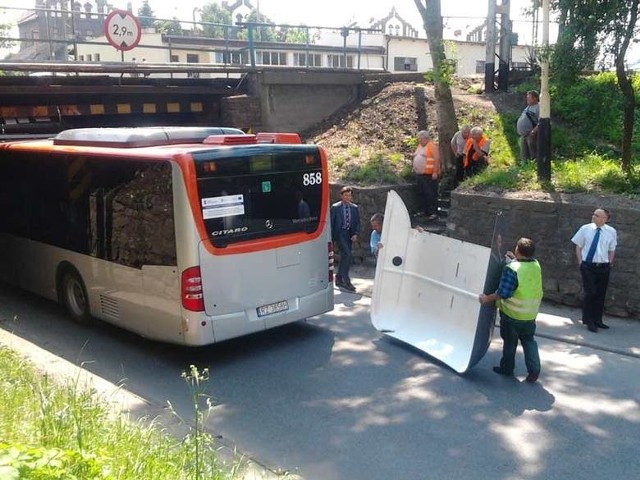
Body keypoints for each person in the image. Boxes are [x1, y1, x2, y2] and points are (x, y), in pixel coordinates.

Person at [479, 237, 543, 383]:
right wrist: (516, 259)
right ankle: (534, 370)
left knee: (509, 343)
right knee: (529, 341)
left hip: (512, 316)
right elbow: (524, 274)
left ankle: (507, 369)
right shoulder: (536, 265)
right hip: (530, 315)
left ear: (517, 250)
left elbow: (503, 292)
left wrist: (487, 299)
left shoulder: (511, 269)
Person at [571, 208, 617, 332]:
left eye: (597, 215)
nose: (593, 216)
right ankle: (588, 320)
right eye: (594, 214)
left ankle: (598, 320)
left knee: (600, 294)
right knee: (590, 292)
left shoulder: (611, 231)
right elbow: (578, 246)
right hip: (588, 266)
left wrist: (609, 263)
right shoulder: (585, 229)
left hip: (603, 266)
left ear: (604, 219)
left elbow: (612, 249)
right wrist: (581, 262)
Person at [330, 186, 360, 292]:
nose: (348, 197)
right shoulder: (335, 207)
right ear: (341, 196)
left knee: (345, 256)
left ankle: (338, 277)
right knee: (347, 254)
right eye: (346, 195)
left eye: (349, 195)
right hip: (340, 234)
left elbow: (357, 223)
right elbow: (331, 224)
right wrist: (331, 239)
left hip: (349, 234)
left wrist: (355, 233)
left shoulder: (354, 208)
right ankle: (346, 280)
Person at [412, 130, 441, 220]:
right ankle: (423, 211)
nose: (419, 140)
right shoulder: (420, 146)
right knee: (421, 193)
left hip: (429, 174)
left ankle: (433, 212)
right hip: (419, 175)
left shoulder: (432, 146)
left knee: (430, 193)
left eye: (421, 139)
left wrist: (435, 172)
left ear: (426, 138)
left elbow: (437, 159)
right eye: (419, 139)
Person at [516, 90, 540, 163]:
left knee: (532, 150)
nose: (527, 100)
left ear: (535, 98)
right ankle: (524, 165)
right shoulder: (528, 107)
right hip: (524, 135)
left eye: (529, 98)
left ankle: (534, 164)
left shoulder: (539, 107)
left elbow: (541, 122)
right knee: (523, 152)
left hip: (531, 134)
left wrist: (534, 131)